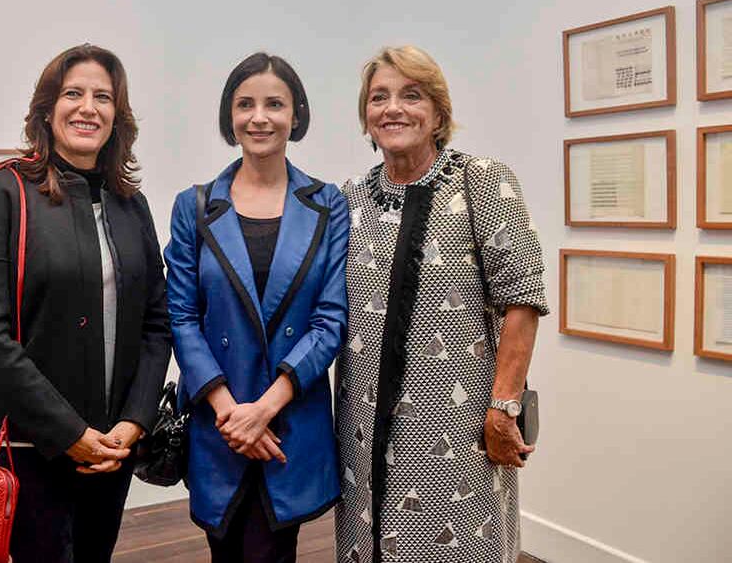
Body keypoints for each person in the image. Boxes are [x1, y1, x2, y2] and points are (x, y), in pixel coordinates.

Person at [0, 43, 171, 563]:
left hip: (113, 443)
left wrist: (135, 421)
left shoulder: (130, 203)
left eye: (103, 96)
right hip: (31, 443)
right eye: (73, 93)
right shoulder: (0, 193)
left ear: (117, 116)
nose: (87, 107)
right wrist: (69, 432)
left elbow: (157, 323)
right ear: (47, 109)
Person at [334, 46, 548, 563]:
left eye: (411, 95)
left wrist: (504, 407)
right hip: (363, 428)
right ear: (366, 115)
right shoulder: (350, 197)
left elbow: (523, 298)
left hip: (457, 428)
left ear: (438, 112)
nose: (393, 109)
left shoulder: (482, 180)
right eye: (379, 97)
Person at [165, 52, 348, 562]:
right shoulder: (195, 206)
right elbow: (181, 316)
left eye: (274, 104)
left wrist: (263, 411)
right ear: (230, 115)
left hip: (286, 423)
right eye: (245, 104)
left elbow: (330, 320)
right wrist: (231, 414)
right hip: (218, 425)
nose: (259, 117)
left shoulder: (328, 204)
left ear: (296, 115)